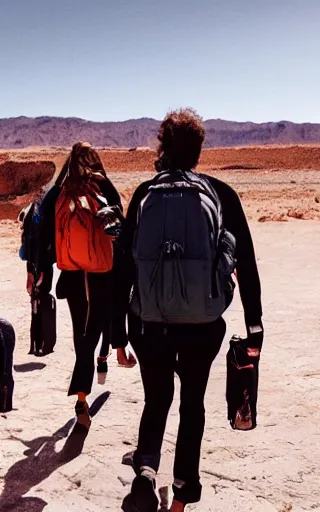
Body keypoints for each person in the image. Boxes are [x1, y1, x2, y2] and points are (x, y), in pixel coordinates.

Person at [118, 108, 263, 512]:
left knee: (157, 397)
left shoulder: (146, 193)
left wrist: (115, 332)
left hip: (150, 325)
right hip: (203, 324)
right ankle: (182, 493)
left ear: (163, 146)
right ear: (200, 149)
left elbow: (124, 265)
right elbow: (246, 264)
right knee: (191, 404)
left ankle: (146, 470)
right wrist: (255, 327)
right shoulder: (220, 193)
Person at [35, 142, 136, 429]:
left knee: (82, 334)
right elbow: (122, 230)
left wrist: (39, 270)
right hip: (102, 275)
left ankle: (89, 383)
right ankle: (82, 397)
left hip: (72, 274)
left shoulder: (57, 192)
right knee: (92, 333)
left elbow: (41, 228)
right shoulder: (104, 188)